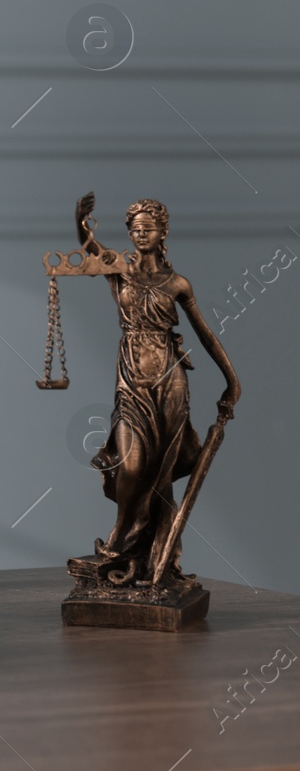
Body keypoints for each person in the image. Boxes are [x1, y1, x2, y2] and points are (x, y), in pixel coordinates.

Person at [77, 194, 238, 584]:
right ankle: (121, 540)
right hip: (131, 381)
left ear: (162, 232)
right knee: (130, 466)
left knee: (161, 471)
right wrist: (80, 223)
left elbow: (206, 335)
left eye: (148, 228)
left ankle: (155, 561)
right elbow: (90, 249)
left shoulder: (178, 283)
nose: (141, 234)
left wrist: (232, 380)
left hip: (170, 384)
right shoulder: (119, 271)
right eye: (135, 229)